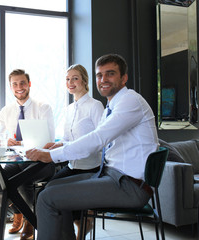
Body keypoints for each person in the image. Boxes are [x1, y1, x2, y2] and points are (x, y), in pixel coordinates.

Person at [26, 54, 159, 240]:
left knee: (47, 198)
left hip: (130, 186)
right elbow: (91, 138)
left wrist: (51, 156)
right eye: (99, 75)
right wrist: (55, 150)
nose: (103, 80)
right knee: (51, 187)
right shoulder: (112, 106)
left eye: (110, 74)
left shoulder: (131, 101)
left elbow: (97, 138)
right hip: (112, 175)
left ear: (124, 78)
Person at [0, 69, 56, 240]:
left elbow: (49, 139)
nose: (19, 87)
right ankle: (19, 212)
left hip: (41, 161)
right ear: (10, 87)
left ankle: (30, 220)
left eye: (22, 83)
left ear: (29, 84)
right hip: (16, 159)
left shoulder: (43, 108)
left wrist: (22, 143)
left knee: (23, 178)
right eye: (15, 84)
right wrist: (5, 139)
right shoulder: (6, 111)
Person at [43, 64, 103, 238]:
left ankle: (80, 224)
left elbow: (101, 140)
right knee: (49, 188)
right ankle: (79, 224)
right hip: (72, 165)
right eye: (67, 79)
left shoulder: (95, 106)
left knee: (58, 190)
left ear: (84, 81)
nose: (70, 82)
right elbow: (68, 140)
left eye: (75, 78)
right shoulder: (69, 109)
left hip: (90, 167)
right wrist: (57, 145)